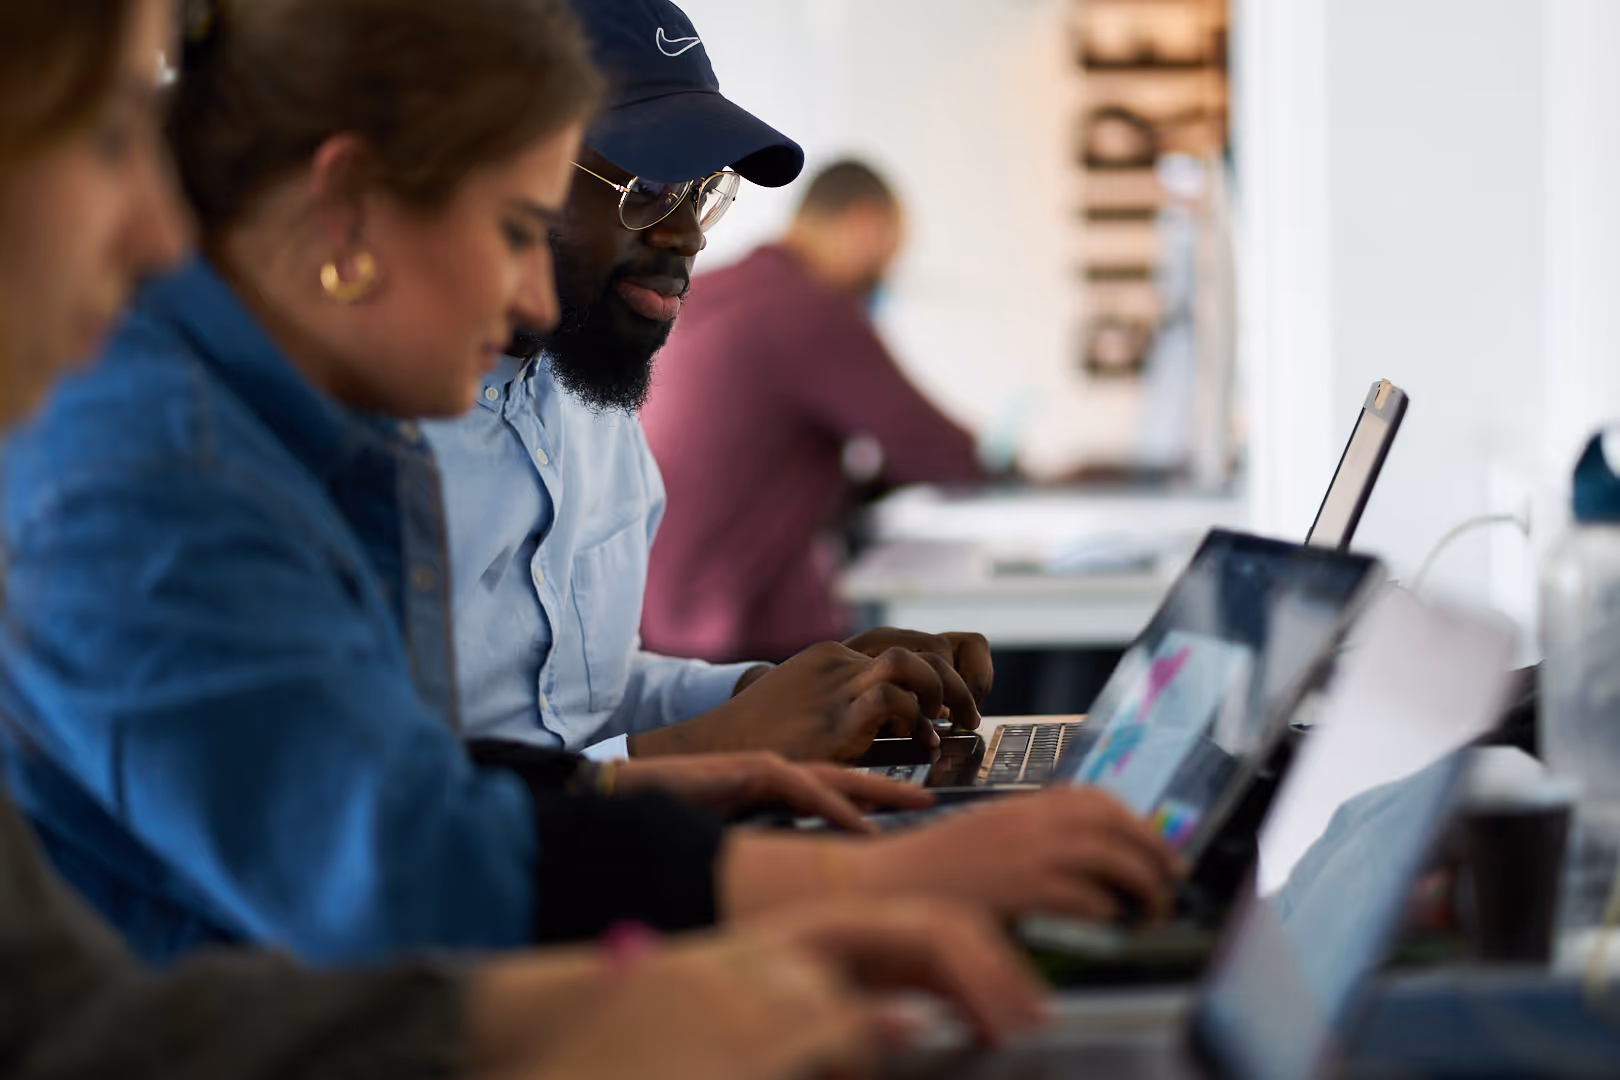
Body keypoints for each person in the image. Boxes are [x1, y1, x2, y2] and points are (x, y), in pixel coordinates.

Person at [0, 0, 1180, 966]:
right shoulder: (154, 461)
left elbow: (435, 782)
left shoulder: (320, 428)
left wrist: (747, 736)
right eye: (519, 224)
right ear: (349, 208)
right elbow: (395, 875)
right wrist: (821, 872)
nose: (529, 302)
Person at [426, 4, 991, 763]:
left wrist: (786, 694)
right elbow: (400, 812)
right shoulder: (381, 433)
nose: (688, 233)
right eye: (649, 189)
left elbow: (579, 699)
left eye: (703, 191)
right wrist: (713, 746)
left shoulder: (591, 410)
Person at [640, 160, 987, 665]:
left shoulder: (713, 291)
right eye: (890, 253)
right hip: (740, 628)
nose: (884, 275)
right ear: (865, 224)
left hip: (655, 616)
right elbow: (942, 455)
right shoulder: (807, 305)